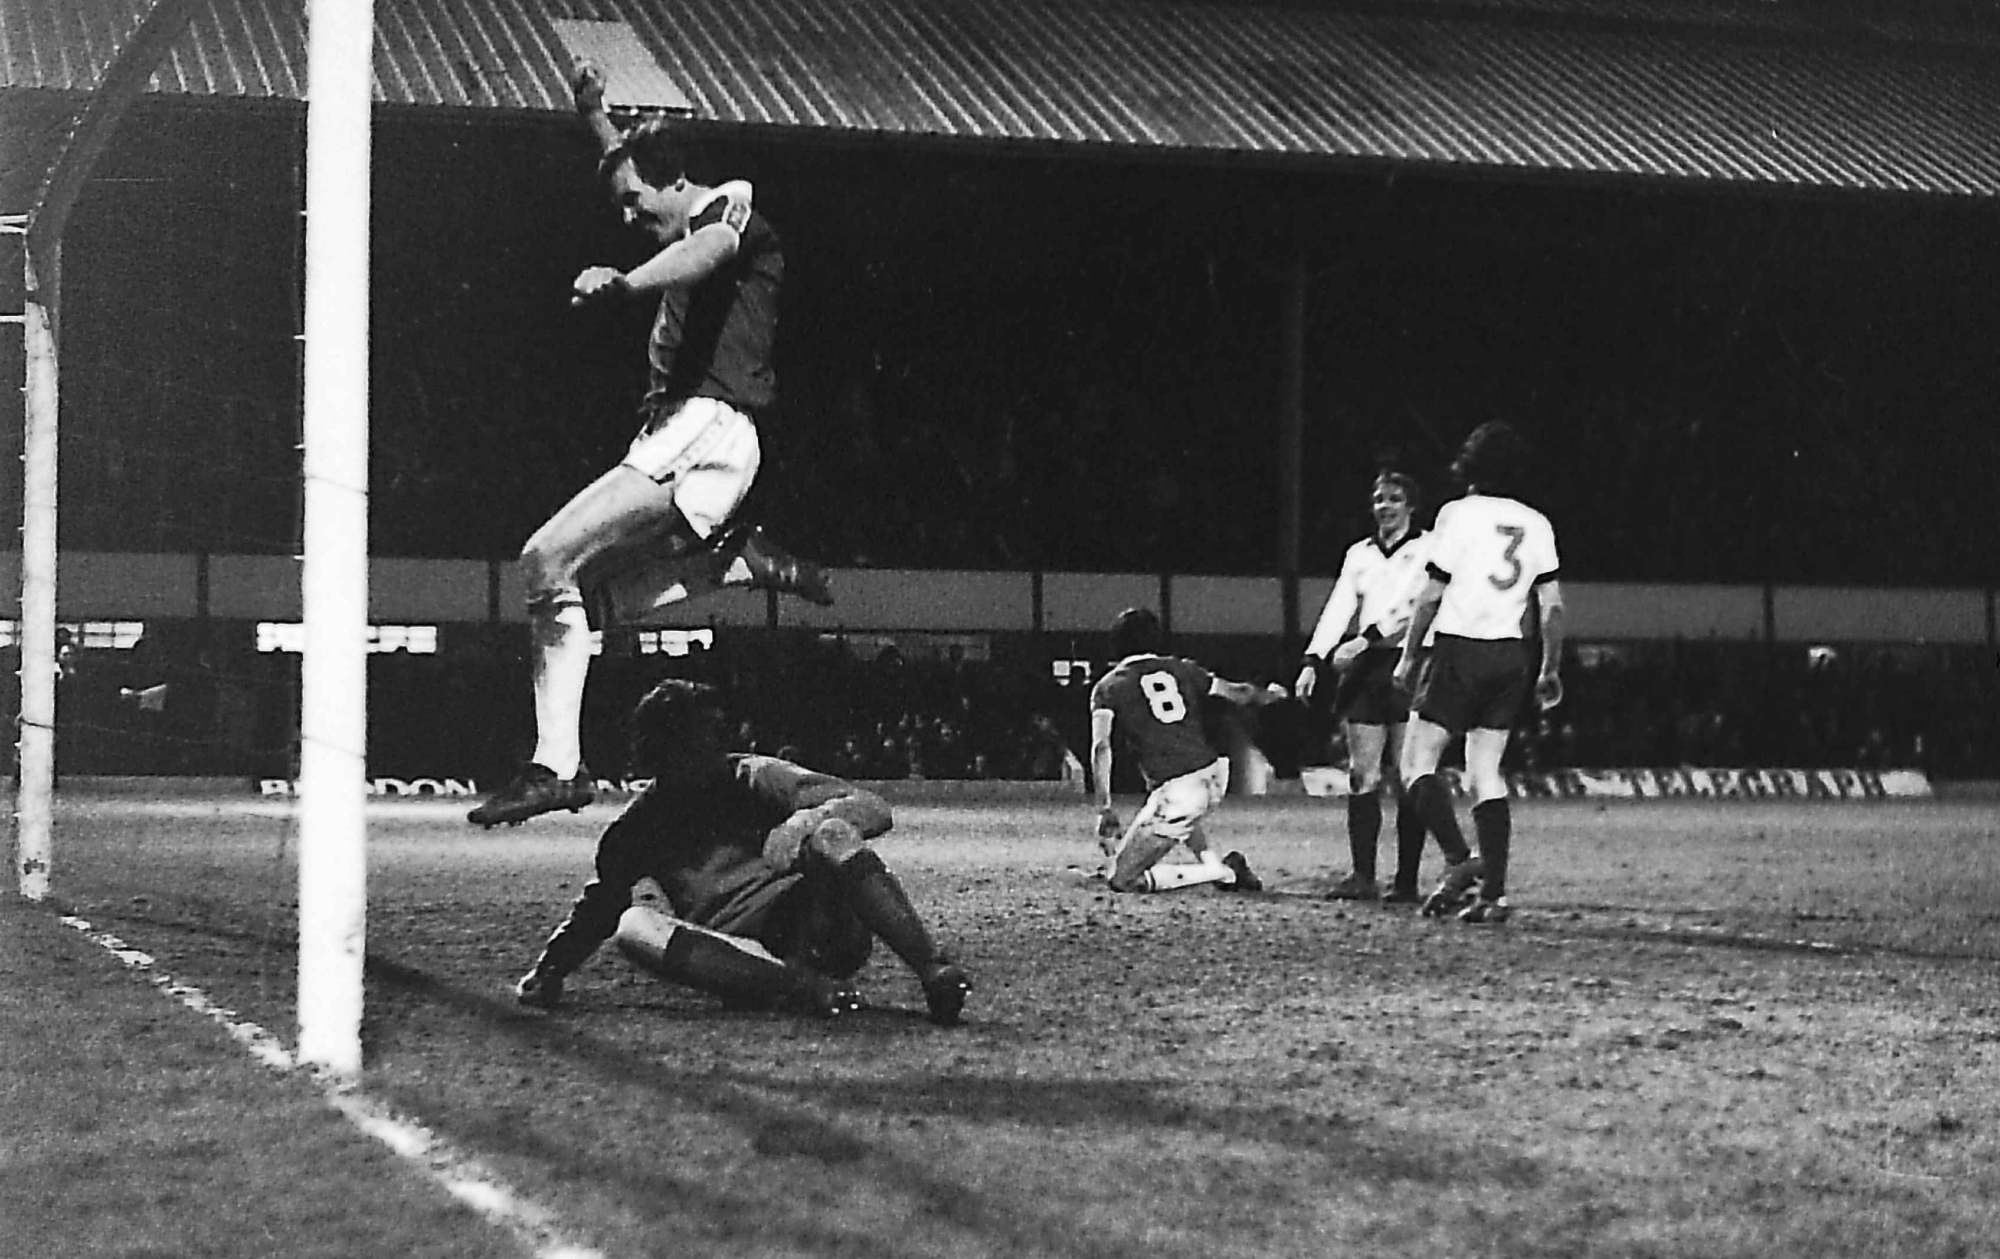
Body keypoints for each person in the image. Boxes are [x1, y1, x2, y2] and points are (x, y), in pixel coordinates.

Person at [470, 62, 832, 829]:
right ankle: (736, 564)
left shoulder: (727, 206)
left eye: (638, 202)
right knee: (585, 601)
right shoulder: (668, 199)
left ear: (676, 182)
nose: (630, 215)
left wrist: (626, 283)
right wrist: (594, 114)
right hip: (691, 431)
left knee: (544, 557)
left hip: (708, 422)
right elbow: (625, 169)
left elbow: (708, 251)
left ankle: (555, 768)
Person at [513, 678, 973, 1025]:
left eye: (718, 732)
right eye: (702, 735)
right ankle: (804, 988)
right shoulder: (634, 831)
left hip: (817, 923)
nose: (718, 744)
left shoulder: (754, 776)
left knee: (833, 831)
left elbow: (870, 807)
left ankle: (933, 971)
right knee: (633, 925)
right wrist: (550, 969)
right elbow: (598, 909)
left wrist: (803, 822)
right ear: (664, 749)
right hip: (740, 956)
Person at [1393, 422, 1564, 924]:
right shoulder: (1537, 523)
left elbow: (1431, 594)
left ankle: (1459, 858)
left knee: (1415, 764)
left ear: (1469, 464)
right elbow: (1552, 607)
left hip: (1459, 650)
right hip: (1510, 655)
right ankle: (1494, 895)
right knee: (1485, 771)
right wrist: (1550, 668)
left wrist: (1409, 655)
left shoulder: (1458, 514)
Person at [1295, 471, 1435, 905]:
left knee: (1408, 774)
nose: (1385, 506)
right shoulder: (1360, 553)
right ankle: (1363, 877)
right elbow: (1339, 606)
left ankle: (1407, 882)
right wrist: (1314, 660)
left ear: (1411, 506)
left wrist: (1365, 639)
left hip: (1409, 661)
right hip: (1367, 667)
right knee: (1362, 773)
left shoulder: (1429, 548)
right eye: (1379, 499)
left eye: (1394, 498)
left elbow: (1415, 606)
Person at [1089, 608, 1285, 894]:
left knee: (1122, 879)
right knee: (1181, 812)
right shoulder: (1183, 669)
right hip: (1213, 773)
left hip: (1179, 791)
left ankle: (1225, 872)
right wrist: (1267, 695)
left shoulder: (1108, 686)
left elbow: (1101, 747)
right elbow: (1238, 693)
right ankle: (1215, 866)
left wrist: (1103, 808)